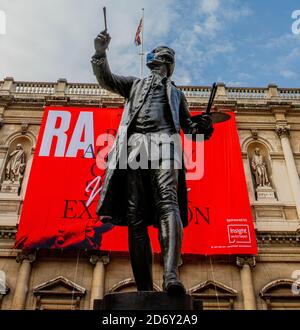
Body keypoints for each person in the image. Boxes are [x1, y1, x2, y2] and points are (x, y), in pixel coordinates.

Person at [91, 30, 213, 295]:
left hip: (165, 146)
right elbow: (107, 80)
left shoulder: (177, 95)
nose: (160, 65)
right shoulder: (134, 85)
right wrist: (100, 54)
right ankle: (145, 288)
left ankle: (171, 276)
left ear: (168, 67)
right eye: (158, 59)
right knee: (135, 218)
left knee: (167, 203)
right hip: (134, 150)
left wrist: (204, 126)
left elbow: (192, 129)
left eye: (164, 61)